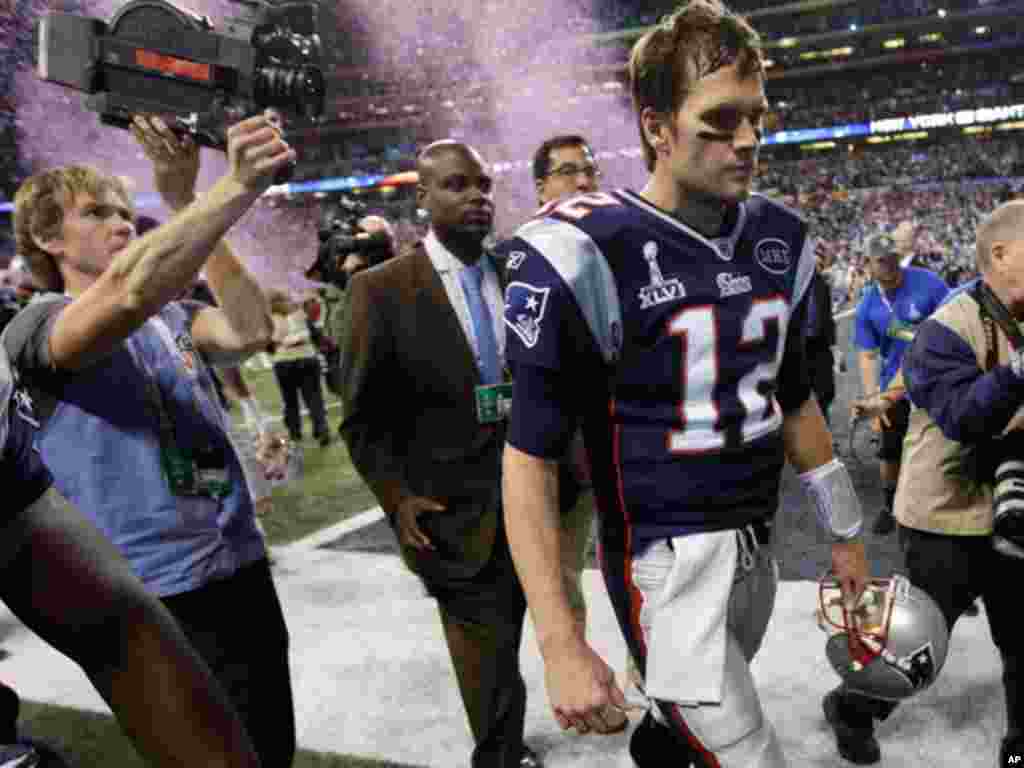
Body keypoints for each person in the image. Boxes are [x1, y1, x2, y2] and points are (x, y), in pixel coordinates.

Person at [498, 2, 869, 766]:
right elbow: (529, 457)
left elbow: (793, 397)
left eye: (757, 117)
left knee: (680, 735)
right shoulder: (582, 249)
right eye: (720, 120)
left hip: (757, 547)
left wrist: (846, 530)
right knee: (747, 752)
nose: (748, 140)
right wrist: (561, 642)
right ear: (656, 128)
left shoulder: (778, 235)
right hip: (665, 564)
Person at [4, 112, 297, 768]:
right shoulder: (31, 328)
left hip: (236, 563)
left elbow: (250, 330)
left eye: (122, 208)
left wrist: (188, 204)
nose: (119, 221)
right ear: (47, 237)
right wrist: (234, 186)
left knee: (271, 748)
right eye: (94, 213)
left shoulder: (172, 316)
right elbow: (127, 291)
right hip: (152, 590)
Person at [339, 140, 540, 768]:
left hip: (535, 494)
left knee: (539, 624)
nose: (477, 195)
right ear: (421, 197)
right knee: (487, 644)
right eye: (457, 185)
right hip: (451, 507)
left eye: (483, 183)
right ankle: (500, 755)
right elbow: (361, 416)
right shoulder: (380, 289)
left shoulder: (520, 272)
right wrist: (395, 498)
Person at [827, 200, 1024, 766]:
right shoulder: (945, 326)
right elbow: (964, 419)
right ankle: (850, 706)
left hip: (1010, 506)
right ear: (1001, 254)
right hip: (944, 512)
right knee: (909, 642)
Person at [0, 347, 261, 768]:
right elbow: (123, 301)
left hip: (212, 545)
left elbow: (114, 625)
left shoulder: (169, 319)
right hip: (157, 559)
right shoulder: (40, 320)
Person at [530, 133, 629, 735]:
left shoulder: (624, 246)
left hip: (630, 449)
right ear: (542, 187)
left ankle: (654, 686)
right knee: (565, 583)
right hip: (563, 456)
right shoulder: (529, 256)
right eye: (568, 173)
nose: (584, 182)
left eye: (590, 171)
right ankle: (585, 688)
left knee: (640, 576)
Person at [852, 231, 949, 535]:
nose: (891, 265)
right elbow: (867, 355)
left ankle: (941, 502)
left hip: (936, 380)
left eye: (894, 258)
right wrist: (872, 397)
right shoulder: (867, 305)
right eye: (883, 261)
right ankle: (889, 503)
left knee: (943, 444)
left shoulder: (928, 282)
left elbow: (956, 318)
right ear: (868, 264)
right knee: (890, 451)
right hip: (894, 390)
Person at [268, 288, 331, 447]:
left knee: (290, 400)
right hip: (307, 359)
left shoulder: (268, 320)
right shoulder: (300, 314)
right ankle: (321, 429)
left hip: (283, 362)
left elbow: (267, 345)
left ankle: (295, 433)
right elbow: (317, 336)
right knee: (314, 397)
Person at [806, 248, 838, 426]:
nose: (817, 268)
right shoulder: (791, 285)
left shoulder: (822, 286)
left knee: (825, 393)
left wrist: (834, 346)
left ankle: (825, 433)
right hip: (800, 347)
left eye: (819, 264)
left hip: (820, 346)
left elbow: (827, 319)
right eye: (814, 264)